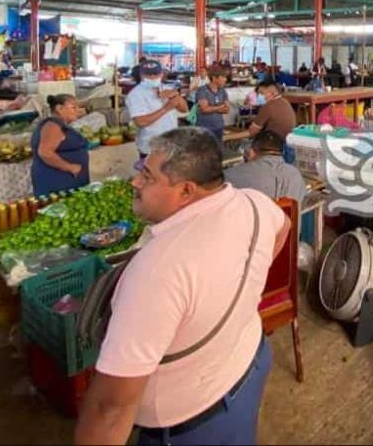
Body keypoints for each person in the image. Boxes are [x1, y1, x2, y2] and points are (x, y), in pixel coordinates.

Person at [75, 128, 290, 446]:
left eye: (147, 177)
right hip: (251, 364)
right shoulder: (255, 203)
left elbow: (111, 407)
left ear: (187, 192)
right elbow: (282, 227)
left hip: (195, 423)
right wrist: (244, 292)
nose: (135, 182)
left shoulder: (156, 270)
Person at [126, 59, 189, 159]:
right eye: (148, 75)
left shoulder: (167, 88)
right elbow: (141, 122)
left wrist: (176, 96)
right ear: (142, 76)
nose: (152, 77)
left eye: (155, 74)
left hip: (171, 144)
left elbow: (184, 109)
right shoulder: (135, 95)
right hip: (151, 148)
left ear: (161, 74)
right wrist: (166, 108)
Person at [225, 131, 306, 206]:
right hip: (289, 220)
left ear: (251, 152)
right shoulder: (296, 175)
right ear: (282, 153)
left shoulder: (231, 175)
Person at [30, 94, 89, 196]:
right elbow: (45, 153)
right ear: (59, 108)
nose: (78, 110)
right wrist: (70, 167)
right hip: (57, 180)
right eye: (73, 107)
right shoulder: (52, 125)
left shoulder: (60, 125)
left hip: (65, 179)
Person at [195, 66, 230, 146]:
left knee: (217, 150)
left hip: (218, 126)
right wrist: (220, 107)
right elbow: (204, 109)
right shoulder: (202, 90)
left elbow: (227, 110)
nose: (226, 79)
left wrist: (211, 108)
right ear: (214, 78)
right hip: (204, 127)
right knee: (204, 151)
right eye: (223, 77)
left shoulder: (223, 91)